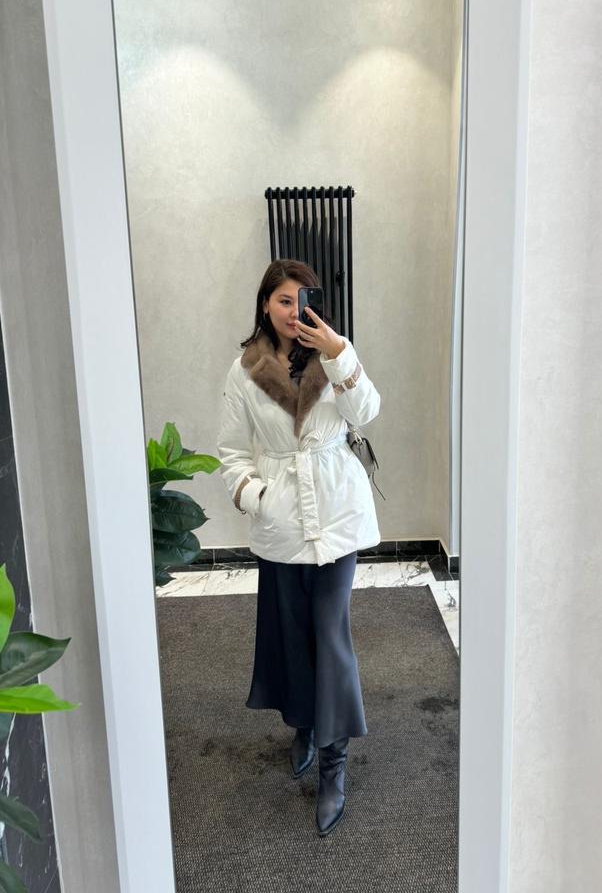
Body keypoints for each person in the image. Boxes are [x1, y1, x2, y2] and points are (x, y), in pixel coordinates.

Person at [216, 258, 382, 837]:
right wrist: (256, 495)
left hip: (336, 513)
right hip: (281, 519)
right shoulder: (244, 370)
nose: (292, 311)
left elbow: (366, 412)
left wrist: (339, 354)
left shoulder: (334, 353)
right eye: (282, 300)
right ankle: (305, 725)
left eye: (301, 299)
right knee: (290, 633)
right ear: (265, 304)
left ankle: (334, 761)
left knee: (330, 634)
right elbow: (231, 450)